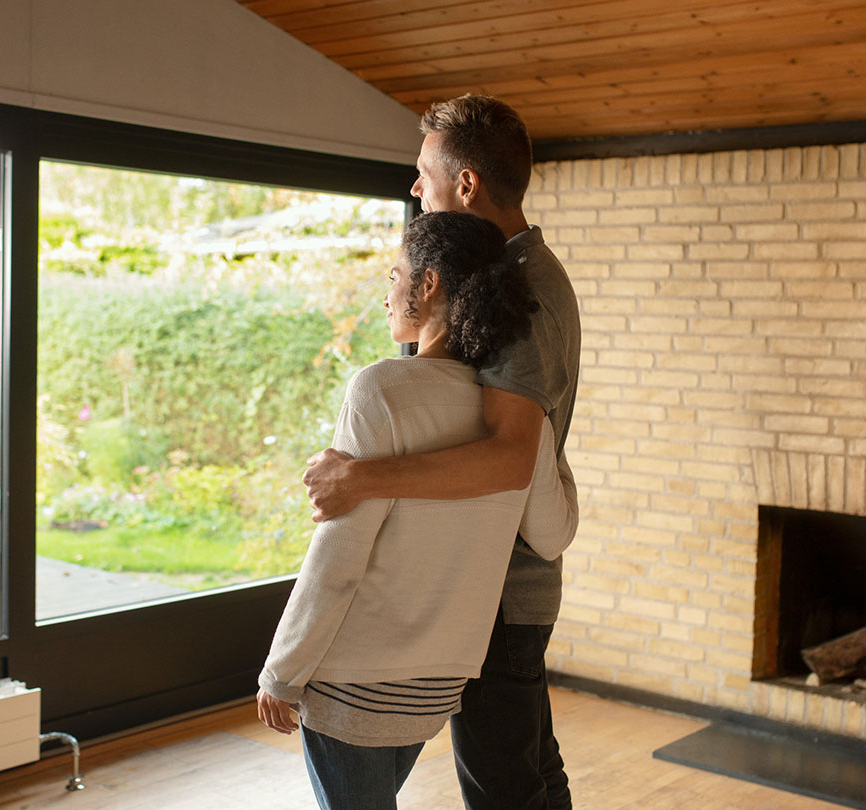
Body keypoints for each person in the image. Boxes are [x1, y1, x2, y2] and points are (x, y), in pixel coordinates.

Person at [302, 95, 581, 810]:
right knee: (531, 774)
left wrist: (363, 477)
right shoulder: (512, 275)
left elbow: (508, 458)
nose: (414, 188)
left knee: (504, 791)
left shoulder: (523, 292)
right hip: (497, 587)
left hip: (501, 593)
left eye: (425, 172)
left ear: (467, 185)